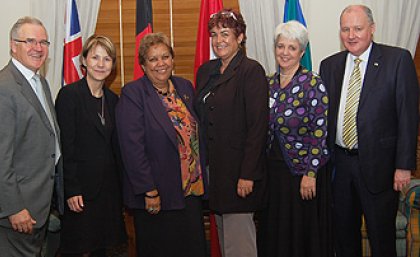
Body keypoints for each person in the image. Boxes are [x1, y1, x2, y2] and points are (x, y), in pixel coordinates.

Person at [319, 5, 419, 257]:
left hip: (380, 168)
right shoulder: (329, 66)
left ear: (372, 29)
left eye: (358, 28)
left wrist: (404, 165)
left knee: (381, 239)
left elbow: (408, 115)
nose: (351, 35)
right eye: (345, 29)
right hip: (339, 167)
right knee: (343, 239)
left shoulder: (397, 60)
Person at [116, 32, 207, 257]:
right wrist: (149, 191)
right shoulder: (133, 93)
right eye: (153, 59)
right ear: (143, 65)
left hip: (191, 193)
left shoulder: (185, 88)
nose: (160, 64)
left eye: (165, 57)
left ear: (173, 59)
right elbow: (132, 148)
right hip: (158, 197)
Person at [194, 9, 268, 257]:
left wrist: (247, 175)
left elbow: (258, 128)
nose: (219, 40)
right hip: (214, 174)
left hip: (239, 176)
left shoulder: (251, 71)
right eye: (214, 34)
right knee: (226, 244)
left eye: (225, 34)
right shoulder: (206, 71)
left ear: (241, 37)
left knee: (240, 246)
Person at [257, 20, 332, 257]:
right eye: (281, 46)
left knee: (300, 233)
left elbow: (320, 133)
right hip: (272, 173)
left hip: (301, 175)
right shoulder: (267, 83)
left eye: (291, 47)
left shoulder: (313, 83)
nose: (285, 52)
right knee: (274, 229)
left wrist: (311, 174)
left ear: (301, 51)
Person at [55, 35, 127, 256]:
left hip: (108, 192)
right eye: (95, 57)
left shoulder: (114, 100)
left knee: (102, 249)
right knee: (79, 249)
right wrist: (71, 189)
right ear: (84, 61)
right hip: (81, 193)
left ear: (112, 65)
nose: (100, 64)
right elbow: (67, 146)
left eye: (107, 59)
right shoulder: (69, 96)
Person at [0, 16, 64, 256]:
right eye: (30, 41)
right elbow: (1, 157)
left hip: (38, 207)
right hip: (17, 213)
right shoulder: (4, 88)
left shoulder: (41, 83)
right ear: (12, 45)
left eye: (43, 42)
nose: (38, 48)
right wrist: (13, 208)